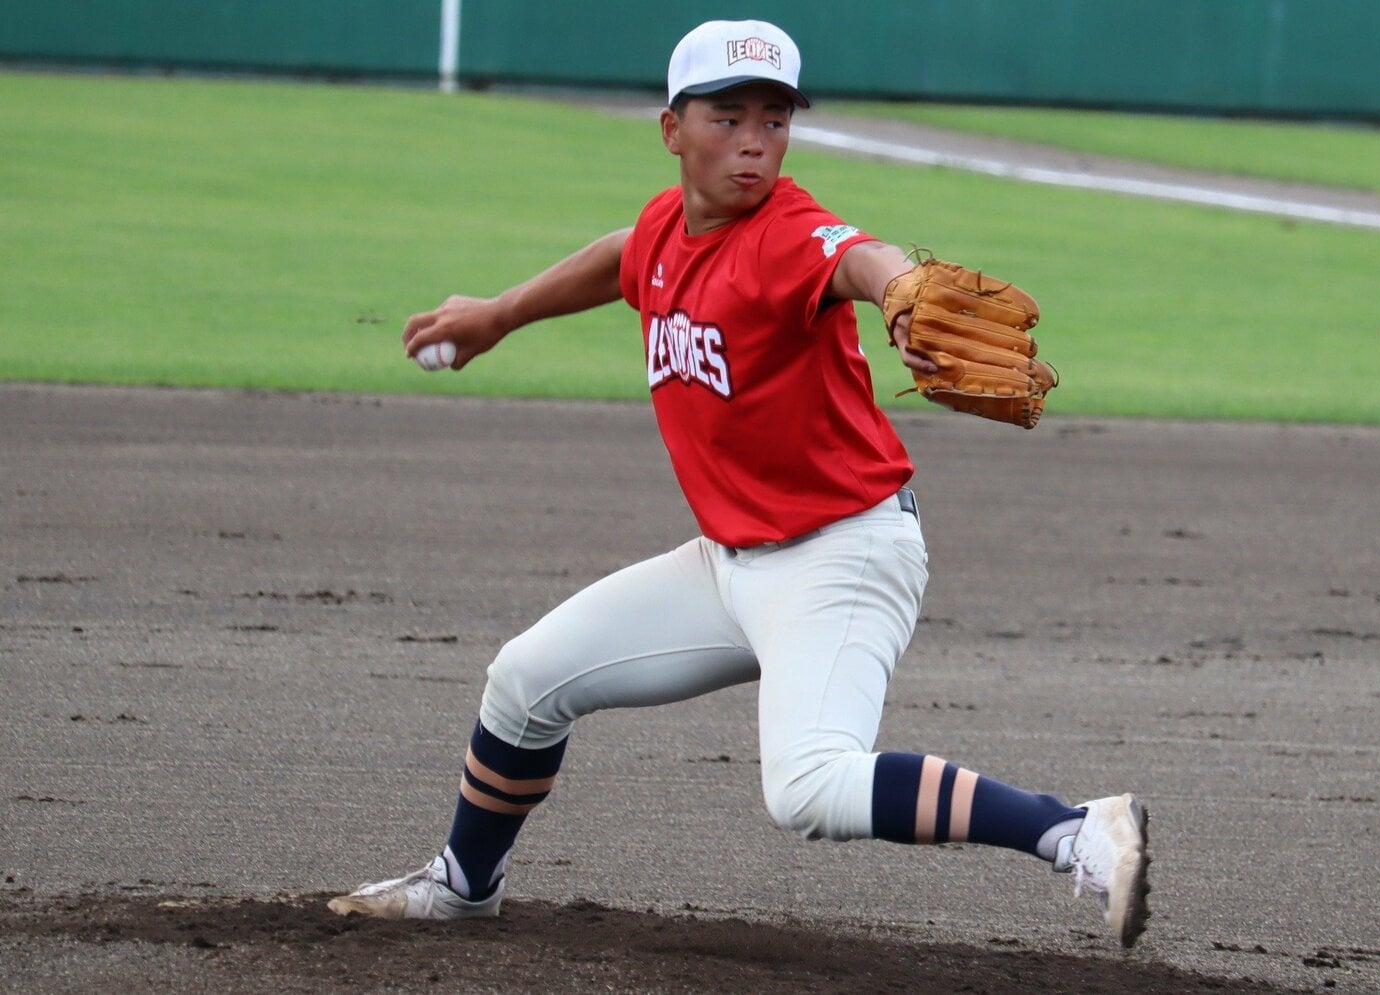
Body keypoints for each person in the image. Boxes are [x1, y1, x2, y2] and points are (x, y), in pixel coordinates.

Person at [329, 19, 1151, 948]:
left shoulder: (788, 234)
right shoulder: (664, 230)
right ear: (672, 128)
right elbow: (620, 256)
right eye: (728, 115)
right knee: (525, 680)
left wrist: (896, 291)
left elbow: (855, 256)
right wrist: (499, 315)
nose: (755, 138)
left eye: (775, 116)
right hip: (728, 566)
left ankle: (1076, 828)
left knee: (808, 785)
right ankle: (463, 884)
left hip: (843, 555)